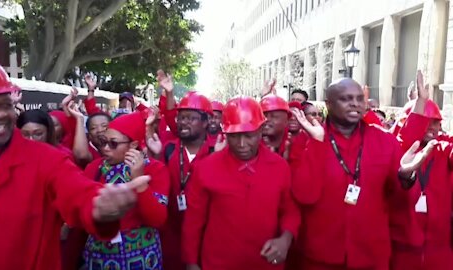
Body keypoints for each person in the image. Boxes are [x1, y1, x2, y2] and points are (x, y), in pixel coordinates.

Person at [0, 53, 152, 270]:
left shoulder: (46, 159)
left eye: (5, 104)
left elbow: (80, 193)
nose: (0, 114)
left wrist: (100, 204)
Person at [288, 77, 433, 269]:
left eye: (358, 98)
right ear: (328, 104)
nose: (354, 103)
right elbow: (303, 195)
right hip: (320, 257)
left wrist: (406, 177)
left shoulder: (383, 141)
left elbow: (400, 195)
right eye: (346, 99)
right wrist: (317, 144)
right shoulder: (306, 142)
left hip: (370, 256)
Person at [182, 96, 301, 270]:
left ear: (261, 130)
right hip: (218, 264)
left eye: (249, 135)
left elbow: (290, 210)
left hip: (266, 264)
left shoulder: (280, 167)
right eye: (235, 136)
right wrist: (191, 263)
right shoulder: (206, 168)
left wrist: (286, 239)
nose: (242, 144)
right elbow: (193, 221)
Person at [83, 112, 170, 270]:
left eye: (113, 143)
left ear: (133, 145)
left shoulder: (155, 169)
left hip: (142, 257)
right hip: (100, 256)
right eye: (103, 142)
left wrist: (139, 182)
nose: (105, 148)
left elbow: (157, 219)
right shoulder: (94, 168)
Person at [390, 71, 453, 270]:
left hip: (440, 251)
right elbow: (406, 139)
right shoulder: (396, 148)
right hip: (401, 251)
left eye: (437, 122)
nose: (434, 127)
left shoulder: (443, 149)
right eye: (428, 120)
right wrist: (420, 103)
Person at [156, 71, 216, 270]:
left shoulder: (218, 151)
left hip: (206, 237)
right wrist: (169, 94)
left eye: (191, 118)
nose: (183, 122)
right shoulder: (168, 149)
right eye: (181, 118)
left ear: (206, 122)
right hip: (170, 236)